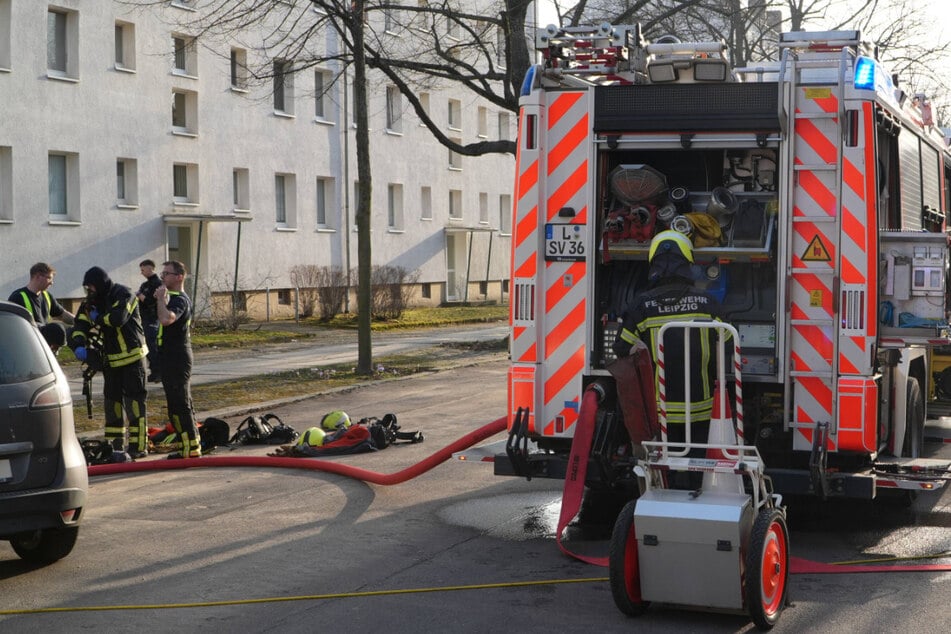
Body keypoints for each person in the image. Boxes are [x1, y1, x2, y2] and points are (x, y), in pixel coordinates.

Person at [613, 230, 727, 484]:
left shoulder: (641, 305)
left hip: (661, 409)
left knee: (668, 469)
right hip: (703, 408)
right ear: (688, 262)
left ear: (653, 262)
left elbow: (620, 348)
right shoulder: (708, 303)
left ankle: (669, 504)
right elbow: (728, 342)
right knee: (699, 465)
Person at [69, 266, 149, 458]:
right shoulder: (91, 302)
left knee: (134, 404)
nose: (89, 291)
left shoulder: (125, 294)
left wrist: (98, 317)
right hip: (111, 361)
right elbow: (80, 324)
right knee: (112, 404)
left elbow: (117, 319)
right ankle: (115, 446)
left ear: (100, 284)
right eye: (87, 287)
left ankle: (139, 446)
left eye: (91, 287)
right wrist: (79, 345)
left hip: (133, 359)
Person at [155, 260, 201, 459]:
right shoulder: (170, 298)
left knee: (181, 403)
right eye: (162, 272)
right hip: (169, 357)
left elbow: (167, 319)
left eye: (167, 273)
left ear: (179, 276)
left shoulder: (179, 300)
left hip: (178, 358)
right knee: (174, 405)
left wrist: (160, 300)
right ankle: (186, 446)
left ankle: (192, 448)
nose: (163, 276)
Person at [7, 262, 75, 352]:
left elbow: (62, 314)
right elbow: (13, 326)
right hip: (28, 348)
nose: (52, 283)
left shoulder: (47, 296)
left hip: (45, 347)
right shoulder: (18, 297)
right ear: (38, 276)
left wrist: (80, 322)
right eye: (49, 278)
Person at [136, 259, 163, 383]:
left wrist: (141, 296)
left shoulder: (157, 284)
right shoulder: (145, 285)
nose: (141, 272)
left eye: (143, 270)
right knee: (146, 346)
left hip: (153, 318)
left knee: (152, 346)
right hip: (144, 318)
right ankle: (153, 370)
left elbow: (151, 302)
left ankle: (159, 372)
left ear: (150, 268)